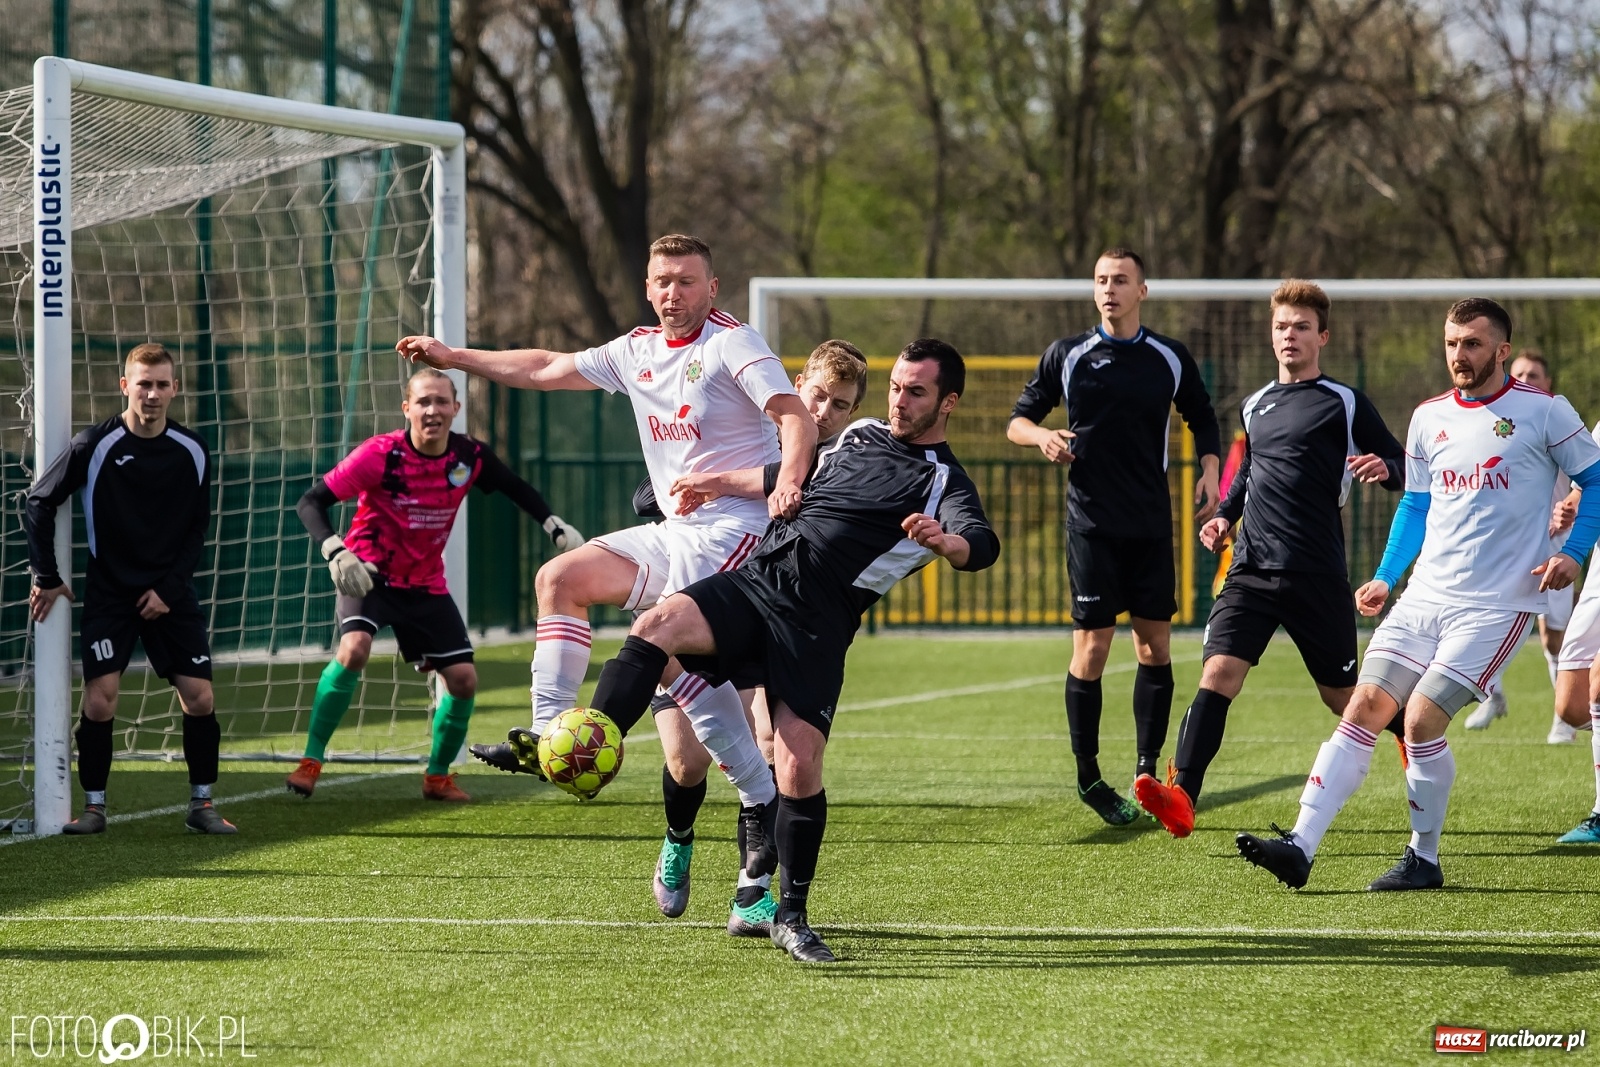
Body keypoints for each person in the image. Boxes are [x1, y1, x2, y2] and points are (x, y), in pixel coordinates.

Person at [399, 234, 816, 930]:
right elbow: (545, 367)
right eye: (662, 281)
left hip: (736, 531)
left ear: (712, 288)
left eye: (686, 281)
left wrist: (790, 483)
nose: (672, 293)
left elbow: (792, 416)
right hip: (674, 532)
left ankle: (747, 802)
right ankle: (544, 736)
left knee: (670, 655)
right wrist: (454, 357)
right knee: (560, 578)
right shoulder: (637, 349)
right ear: (648, 288)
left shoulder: (734, 344)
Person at [583, 339, 999, 962]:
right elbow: (785, 473)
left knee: (797, 768)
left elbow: (982, 543)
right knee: (657, 626)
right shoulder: (859, 435)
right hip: (760, 580)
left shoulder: (944, 481)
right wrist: (712, 482)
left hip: (818, 625)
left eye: (916, 392)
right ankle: (590, 740)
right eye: (897, 387)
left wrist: (948, 544)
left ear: (948, 402)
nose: (900, 401)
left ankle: (790, 914)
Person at [1237, 298, 1600, 891]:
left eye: (1474, 344)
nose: (1460, 354)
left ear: (1502, 351)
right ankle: (1299, 846)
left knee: (1422, 721)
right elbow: (1416, 504)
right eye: (1453, 343)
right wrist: (1385, 574)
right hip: (1422, 599)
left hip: (1497, 605)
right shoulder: (1428, 417)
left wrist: (1572, 553)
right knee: (1362, 709)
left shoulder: (1545, 413)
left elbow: (1597, 479)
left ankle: (1422, 858)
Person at [1133, 280, 1406, 837]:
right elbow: (1252, 475)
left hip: (1316, 572)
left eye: (1302, 326)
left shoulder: (1344, 400)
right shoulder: (1255, 404)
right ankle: (1183, 794)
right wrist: (1223, 517)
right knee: (1218, 673)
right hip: (1250, 569)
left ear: (1321, 336)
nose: (1290, 335)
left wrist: (1386, 470)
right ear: (1271, 333)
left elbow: (1404, 463)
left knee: (1341, 698)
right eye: (1282, 326)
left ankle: (1414, 734)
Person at [626, 338, 870, 935]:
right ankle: (679, 838)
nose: (824, 413)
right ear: (795, 386)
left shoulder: (847, 467)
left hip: (772, 624)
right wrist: (689, 493)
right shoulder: (761, 434)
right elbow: (657, 487)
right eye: (816, 395)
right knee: (686, 763)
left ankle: (751, 892)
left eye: (840, 405)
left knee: (770, 749)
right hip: (701, 613)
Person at [284, 368, 582, 802]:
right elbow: (310, 502)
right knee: (353, 651)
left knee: (463, 680)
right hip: (369, 575)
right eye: (423, 402)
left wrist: (552, 523)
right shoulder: (379, 455)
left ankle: (437, 778)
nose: (432, 410)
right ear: (407, 409)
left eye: (441, 402)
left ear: (455, 409)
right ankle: (310, 762)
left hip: (425, 585)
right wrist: (335, 550)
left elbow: (513, 486)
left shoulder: (468, 458)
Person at [1006, 247, 1222, 825]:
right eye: (1101, 280)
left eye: (1121, 280)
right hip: (1091, 525)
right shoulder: (1068, 354)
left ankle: (1148, 772)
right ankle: (1088, 776)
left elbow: (1203, 417)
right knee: (1093, 649)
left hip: (1151, 525)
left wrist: (1208, 471)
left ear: (1142, 291)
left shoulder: (1168, 357)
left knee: (1155, 648)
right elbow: (1017, 420)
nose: (1110, 289)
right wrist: (1042, 437)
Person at [25, 342, 231, 835]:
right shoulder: (93, 445)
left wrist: (169, 587)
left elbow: (197, 528)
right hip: (111, 594)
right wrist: (47, 576)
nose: (153, 393)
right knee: (101, 699)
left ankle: (202, 804)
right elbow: (37, 503)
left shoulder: (193, 450)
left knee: (199, 697)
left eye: (162, 384)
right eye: (144, 383)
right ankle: (94, 807)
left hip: (170, 592)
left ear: (174, 388)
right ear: (125, 386)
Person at [1463, 349, 1583, 744]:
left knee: (1553, 635)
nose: (1527, 380)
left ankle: (1563, 718)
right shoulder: (1489, 423)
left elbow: (1583, 485)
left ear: (1548, 384)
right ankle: (1492, 695)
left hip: (1551, 543)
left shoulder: (1557, 421)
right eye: (1520, 374)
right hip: (1500, 542)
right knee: (1476, 622)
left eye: (1535, 374)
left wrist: (1567, 511)